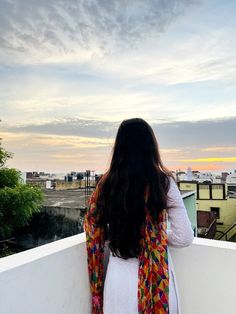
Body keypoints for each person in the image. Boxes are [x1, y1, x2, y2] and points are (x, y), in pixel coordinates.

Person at [84, 118, 194, 314]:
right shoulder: (164, 183)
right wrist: (155, 236)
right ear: (151, 146)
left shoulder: (106, 184)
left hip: (118, 282)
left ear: (119, 148)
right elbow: (184, 237)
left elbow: (95, 232)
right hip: (157, 283)